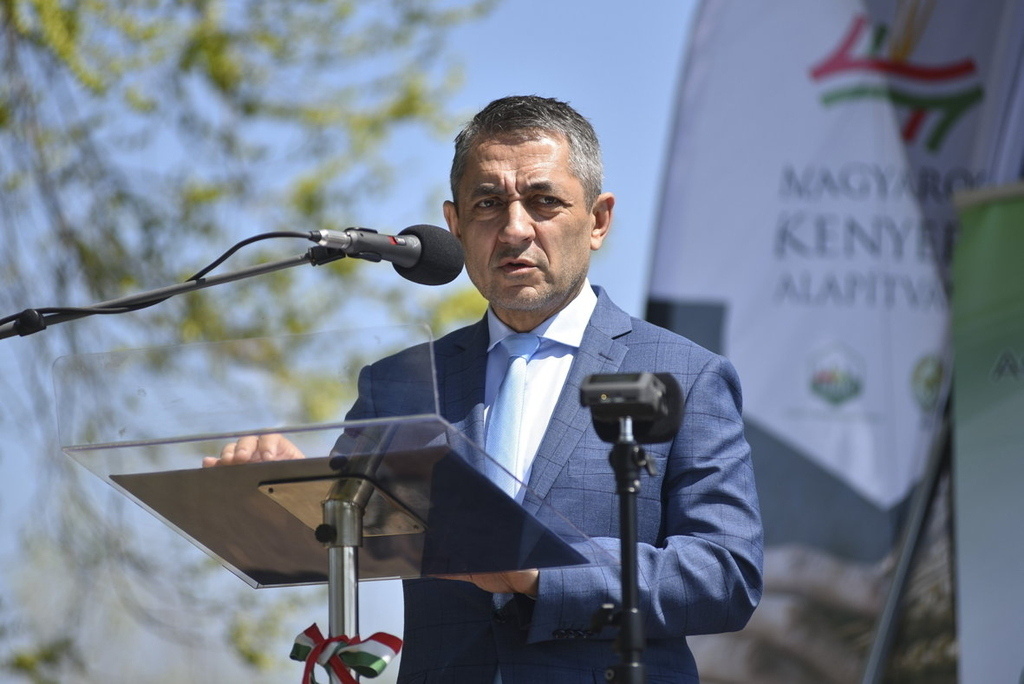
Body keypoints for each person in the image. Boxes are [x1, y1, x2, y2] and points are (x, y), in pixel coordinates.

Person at [207, 95, 763, 683]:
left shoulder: (682, 375)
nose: (515, 228)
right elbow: (347, 537)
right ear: (455, 226)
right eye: (488, 204)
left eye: (544, 202)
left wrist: (539, 574)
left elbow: (724, 575)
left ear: (598, 221)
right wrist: (277, 491)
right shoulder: (399, 385)